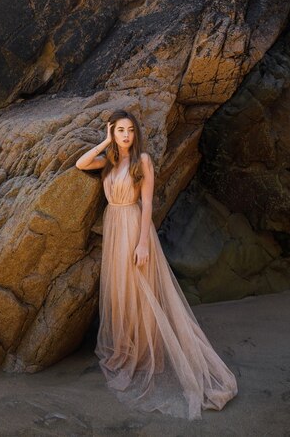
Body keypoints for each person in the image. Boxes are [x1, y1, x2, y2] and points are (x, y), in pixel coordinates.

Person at [75, 109, 238, 420]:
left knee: (140, 288)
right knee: (120, 289)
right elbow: (81, 163)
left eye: (129, 130)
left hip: (134, 225)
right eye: (120, 130)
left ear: (136, 134)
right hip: (114, 223)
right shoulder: (110, 160)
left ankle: (144, 352)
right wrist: (104, 141)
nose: (125, 135)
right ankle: (127, 347)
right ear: (113, 132)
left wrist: (142, 243)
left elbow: (147, 203)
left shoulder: (143, 161)